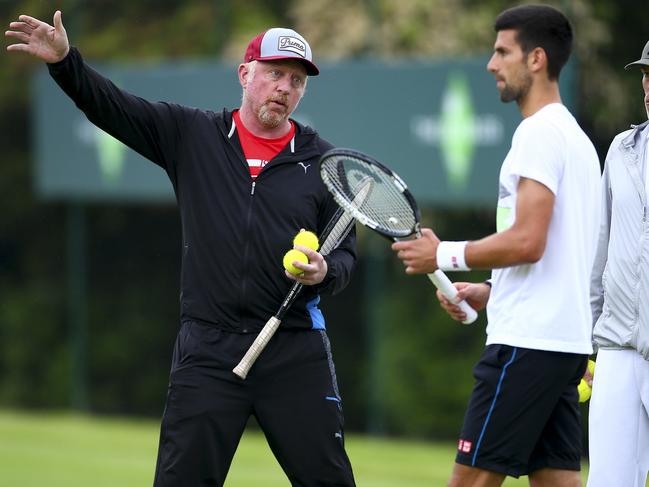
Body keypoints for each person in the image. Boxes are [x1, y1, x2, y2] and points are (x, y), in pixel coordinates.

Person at [5, 11, 358, 487]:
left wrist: (324, 272)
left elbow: (345, 256)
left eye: (296, 81)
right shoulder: (193, 135)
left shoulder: (322, 162)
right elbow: (113, 107)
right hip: (209, 349)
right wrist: (66, 63)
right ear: (246, 73)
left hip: (293, 348)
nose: (284, 88)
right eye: (275, 73)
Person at [392, 5, 601, 487]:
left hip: (527, 347)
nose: (491, 63)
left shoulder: (538, 134)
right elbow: (558, 253)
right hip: (563, 345)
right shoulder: (577, 140)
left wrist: (440, 254)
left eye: (503, 51)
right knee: (557, 481)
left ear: (536, 59)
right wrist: (492, 291)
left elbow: (528, 241)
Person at [587, 40, 649, 487]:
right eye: (646, 75)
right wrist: (588, 337)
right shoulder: (621, 149)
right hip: (617, 346)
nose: (648, 86)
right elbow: (599, 251)